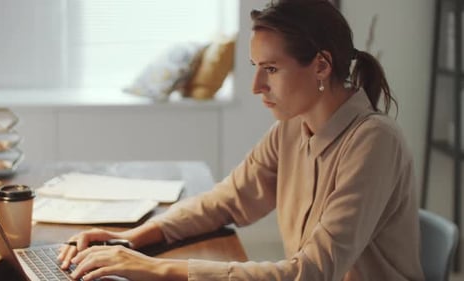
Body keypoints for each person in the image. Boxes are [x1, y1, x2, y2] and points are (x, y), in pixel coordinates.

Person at [58, 0, 425, 280]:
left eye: (271, 69)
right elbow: (227, 201)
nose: (256, 87)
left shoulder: (374, 142)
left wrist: (158, 269)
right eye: (255, 68)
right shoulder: (291, 128)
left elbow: (313, 271)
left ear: (321, 65)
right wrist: (133, 239)